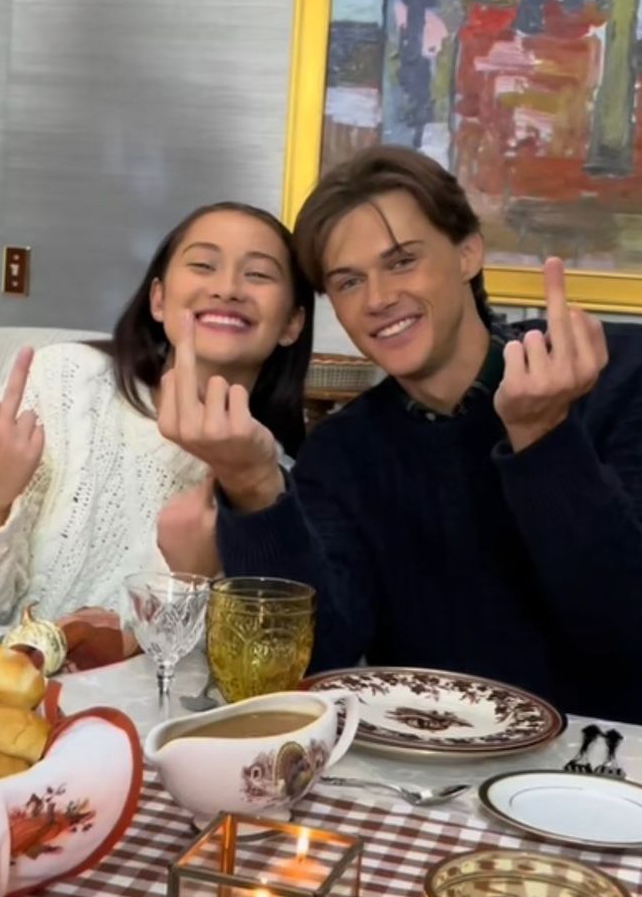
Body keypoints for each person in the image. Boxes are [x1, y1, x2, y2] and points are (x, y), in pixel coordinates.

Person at [158, 146, 642, 723]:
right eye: (348, 281)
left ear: (468, 252)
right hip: (419, 773)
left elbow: (624, 627)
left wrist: (543, 438)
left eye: (402, 261)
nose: (379, 299)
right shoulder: (343, 452)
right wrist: (253, 484)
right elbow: (317, 657)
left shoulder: (614, 375)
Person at [0, 201, 314, 623]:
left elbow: (223, 673)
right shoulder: (67, 382)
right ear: (158, 299)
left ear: (292, 323)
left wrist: (185, 576)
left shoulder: (271, 484)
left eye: (259, 274)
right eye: (203, 265)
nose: (228, 288)